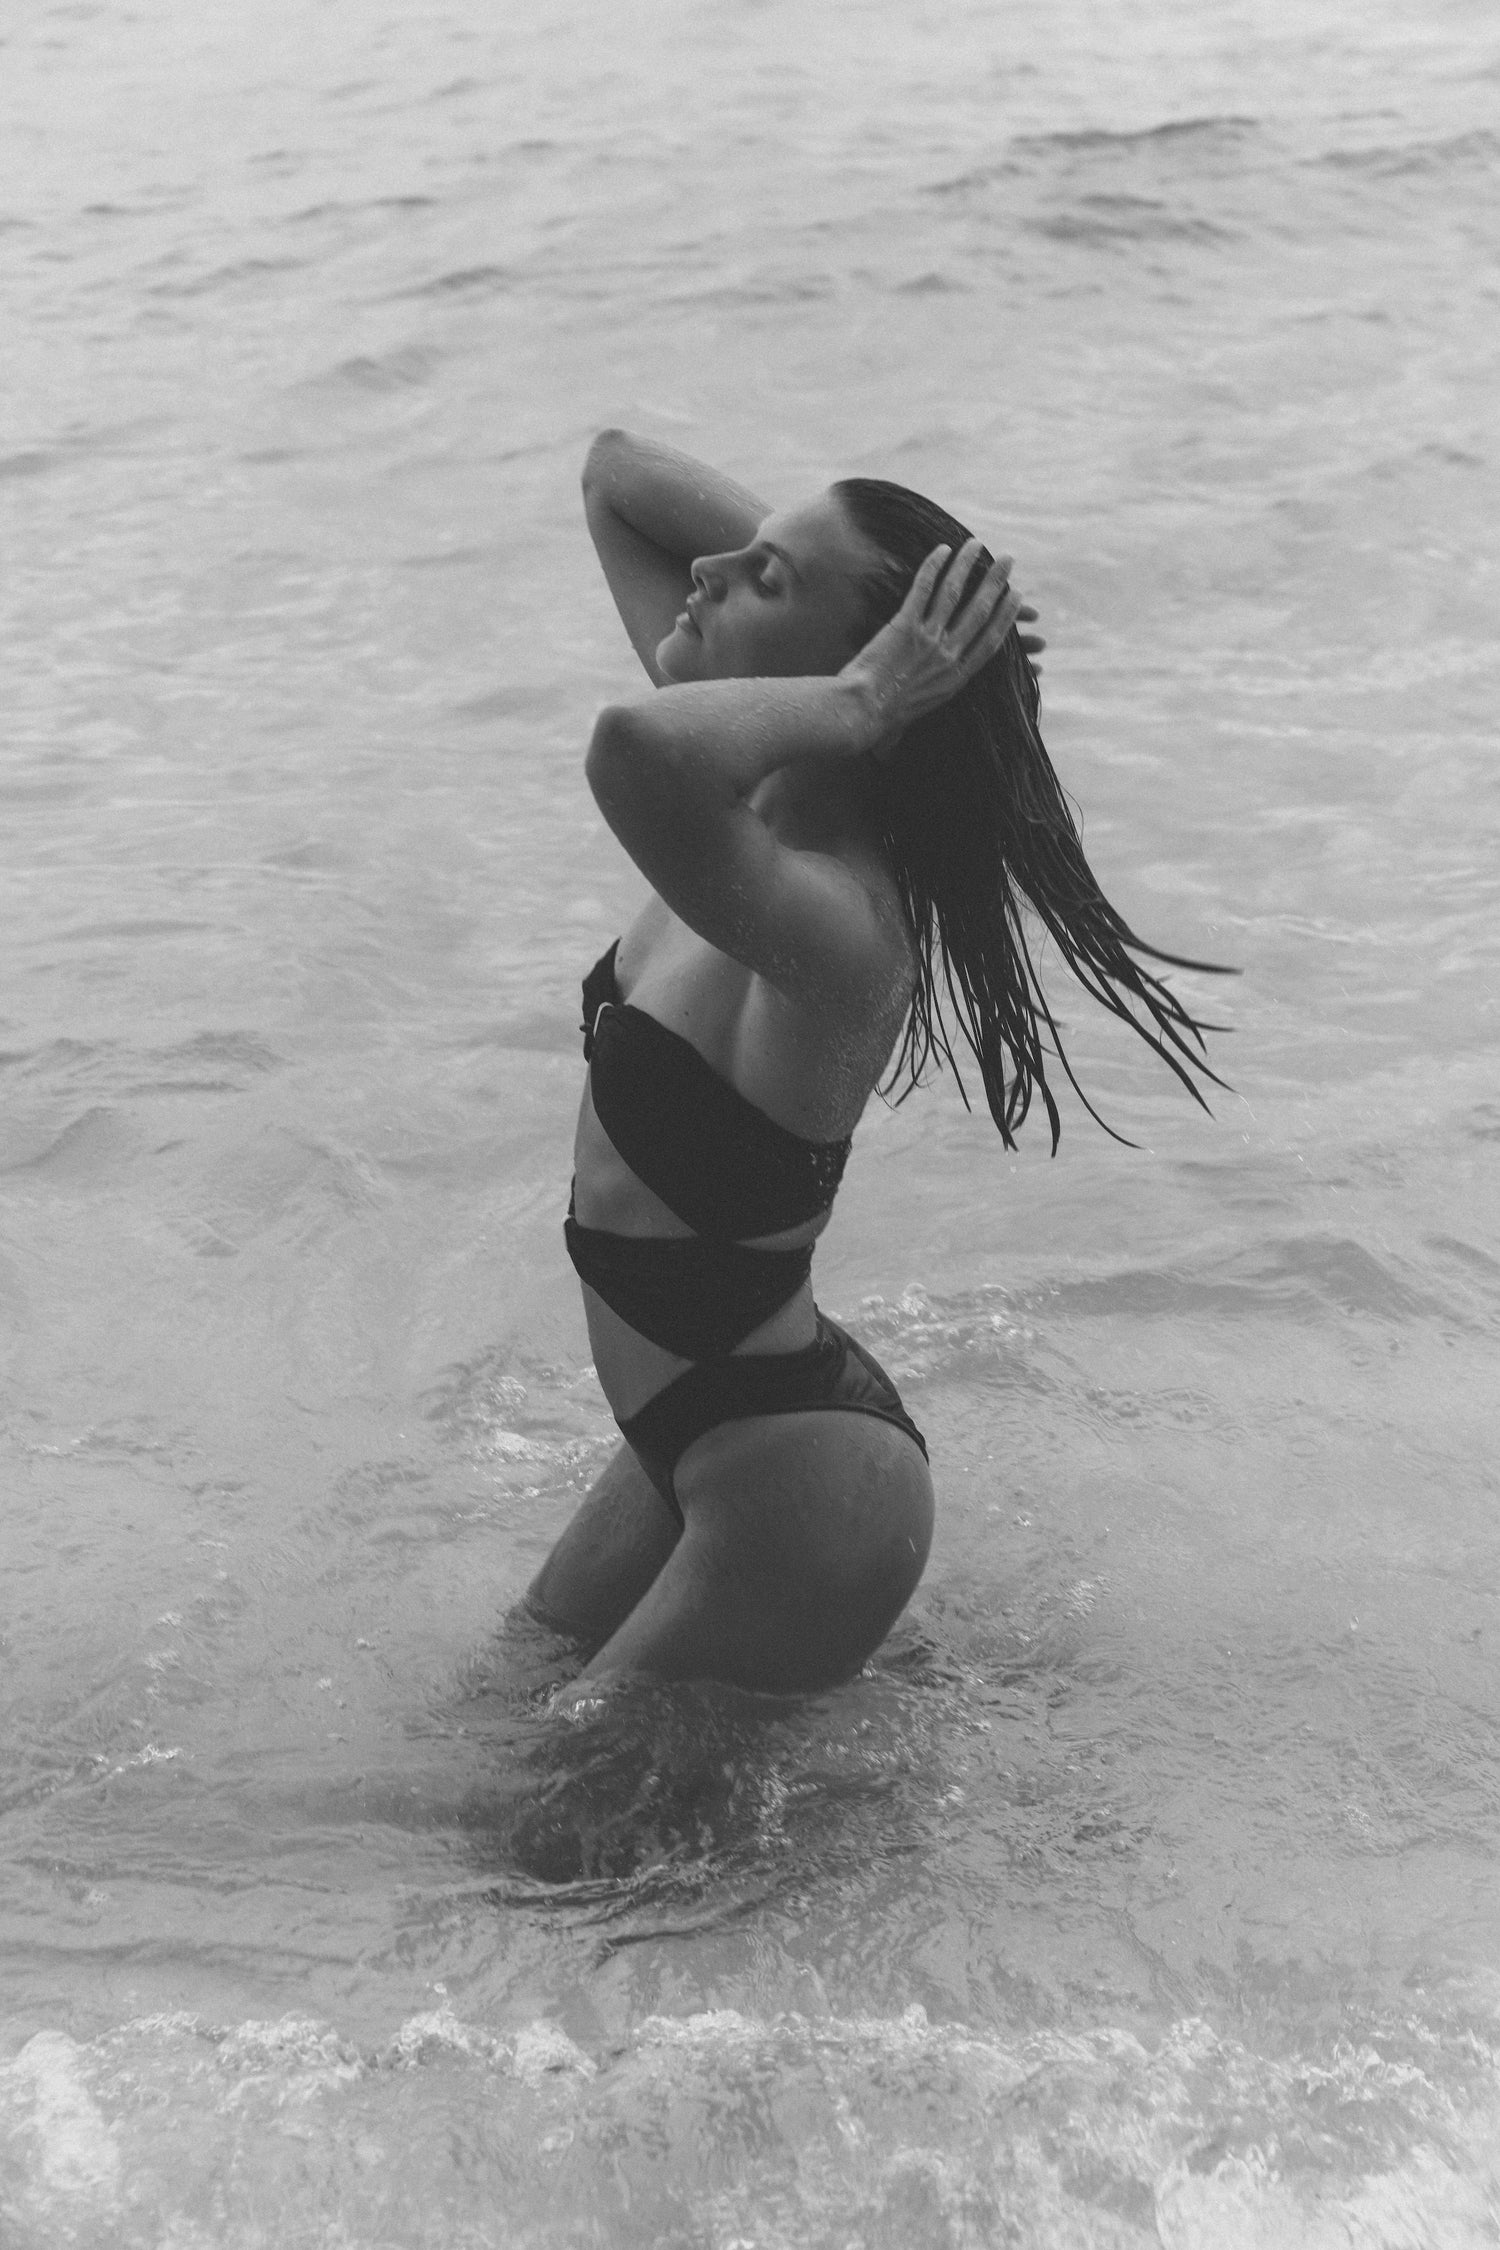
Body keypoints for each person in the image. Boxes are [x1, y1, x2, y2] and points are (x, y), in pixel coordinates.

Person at [525, 429, 1225, 1703]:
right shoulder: (747, 818)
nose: (713, 568)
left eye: (765, 580)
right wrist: (916, 644)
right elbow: (615, 476)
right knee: (503, 1711)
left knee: (533, 1845)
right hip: (699, 1432)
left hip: (794, 1481)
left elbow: (625, 743)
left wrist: (871, 688)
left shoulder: (836, 929)